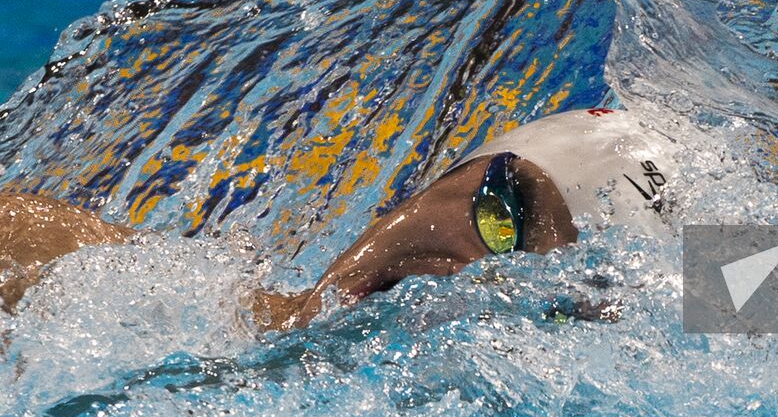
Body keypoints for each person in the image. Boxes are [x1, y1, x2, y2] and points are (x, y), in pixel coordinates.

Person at [0, 108, 672, 330]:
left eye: (550, 303)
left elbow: (767, 307)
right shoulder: (129, 297)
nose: (464, 267)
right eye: (497, 210)